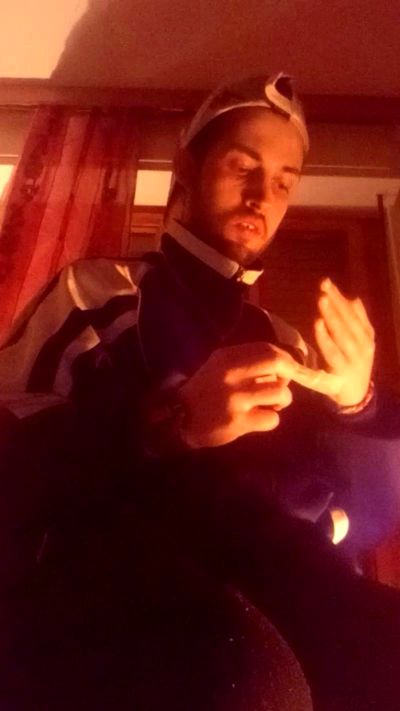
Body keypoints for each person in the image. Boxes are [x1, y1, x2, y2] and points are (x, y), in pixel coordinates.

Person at [0, 72, 400, 710]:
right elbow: (12, 465)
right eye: (243, 166)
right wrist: (173, 422)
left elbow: (364, 527)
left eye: (283, 182)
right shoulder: (97, 292)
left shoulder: (290, 344)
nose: (261, 196)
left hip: (310, 615)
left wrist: (360, 407)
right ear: (187, 169)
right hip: (141, 622)